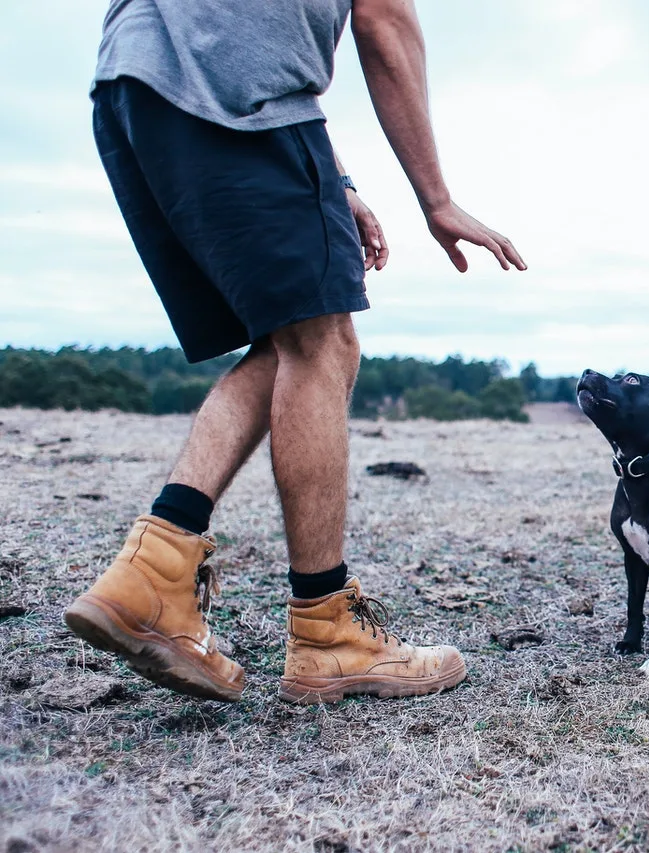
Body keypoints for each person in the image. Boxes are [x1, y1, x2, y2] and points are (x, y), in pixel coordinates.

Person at [63, 0, 525, 704]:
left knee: (292, 337)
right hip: (234, 91)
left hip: (137, 79)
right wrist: (436, 197)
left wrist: (334, 181)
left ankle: (154, 568)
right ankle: (326, 631)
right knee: (324, 342)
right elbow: (384, 18)